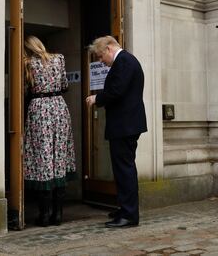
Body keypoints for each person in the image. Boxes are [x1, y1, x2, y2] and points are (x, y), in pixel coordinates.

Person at [86, 35, 147, 228]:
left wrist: (97, 99)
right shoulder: (125, 61)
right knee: (122, 169)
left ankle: (129, 214)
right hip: (125, 125)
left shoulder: (124, 61)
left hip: (125, 125)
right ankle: (125, 209)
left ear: (109, 48)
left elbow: (117, 90)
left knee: (124, 169)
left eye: (100, 56)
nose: (100, 61)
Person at [23, 36, 76, 227]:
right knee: (59, 156)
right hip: (59, 107)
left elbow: (25, 89)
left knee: (42, 158)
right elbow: (65, 85)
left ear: (28, 49)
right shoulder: (59, 59)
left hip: (38, 108)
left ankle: (44, 215)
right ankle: (58, 214)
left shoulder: (27, 63)